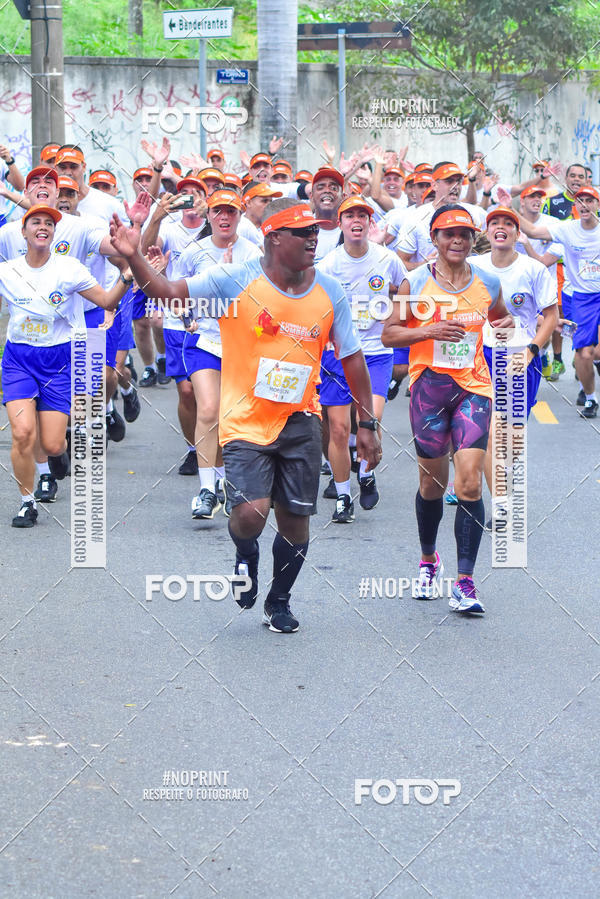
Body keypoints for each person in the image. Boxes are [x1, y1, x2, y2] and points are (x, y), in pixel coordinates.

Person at [110, 198, 381, 633]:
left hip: (301, 421)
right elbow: (166, 292)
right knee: (250, 515)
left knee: (295, 523)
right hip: (244, 421)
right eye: (303, 233)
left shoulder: (330, 291)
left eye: (316, 232)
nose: (314, 239)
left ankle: (279, 601)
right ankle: (246, 554)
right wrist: (134, 256)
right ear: (274, 239)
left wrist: (366, 424)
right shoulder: (234, 280)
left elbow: (352, 358)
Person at [381, 204, 513, 614]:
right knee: (431, 485)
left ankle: (466, 581)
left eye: (464, 234)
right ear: (435, 239)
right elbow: (389, 335)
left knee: (469, 483)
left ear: (473, 239)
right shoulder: (414, 281)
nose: (457, 240)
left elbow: (501, 318)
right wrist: (429, 330)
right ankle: (428, 560)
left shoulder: (487, 281)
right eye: (448, 234)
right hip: (428, 391)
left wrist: (505, 330)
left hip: (473, 389)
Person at [0, 205, 132, 527]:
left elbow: (106, 301)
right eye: (36, 222)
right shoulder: (8, 271)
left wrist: (128, 276)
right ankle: (26, 502)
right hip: (19, 359)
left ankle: (55, 455)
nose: (42, 227)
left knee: (53, 443)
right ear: (24, 230)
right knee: (22, 433)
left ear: (53, 232)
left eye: (48, 223)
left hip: (59, 360)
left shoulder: (70, 269)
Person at [317, 196, 407, 521]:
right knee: (339, 429)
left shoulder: (387, 259)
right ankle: (343, 497)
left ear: (370, 223)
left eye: (362, 215)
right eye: (349, 215)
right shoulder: (327, 266)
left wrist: (396, 318)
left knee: (370, 420)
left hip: (376, 355)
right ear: (340, 223)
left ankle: (366, 473)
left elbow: (406, 286)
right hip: (337, 356)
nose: (356, 220)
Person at [177, 188, 262, 519]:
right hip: (206, 343)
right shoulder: (194, 251)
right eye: (218, 211)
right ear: (208, 215)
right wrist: (187, 317)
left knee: (232, 419)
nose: (224, 217)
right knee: (209, 411)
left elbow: (263, 301)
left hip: (243, 347)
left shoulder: (254, 253)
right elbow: (178, 291)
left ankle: (226, 483)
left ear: (240, 215)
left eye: (231, 211)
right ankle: (206, 489)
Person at [476, 206, 558, 527]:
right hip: (483, 355)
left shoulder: (533, 270)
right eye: (494, 223)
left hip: (521, 355)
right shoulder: (473, 266)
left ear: (516, 232)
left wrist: (532, 351)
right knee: (491, 430)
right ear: (487, 232)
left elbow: (549, 316)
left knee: (512, 436)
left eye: (507, 223)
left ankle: (505, 473)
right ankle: (500, 502)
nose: (501, 227)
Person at [502, 185, 600, 417]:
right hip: (583, 299)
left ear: (597, 205)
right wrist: (508, 207)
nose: (584, 204)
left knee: (596, 354)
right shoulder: (566, 229)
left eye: (590, 200)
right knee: (584, 354)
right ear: (576, 206)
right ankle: (590, 398)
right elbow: (534, 231)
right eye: (580, 200)